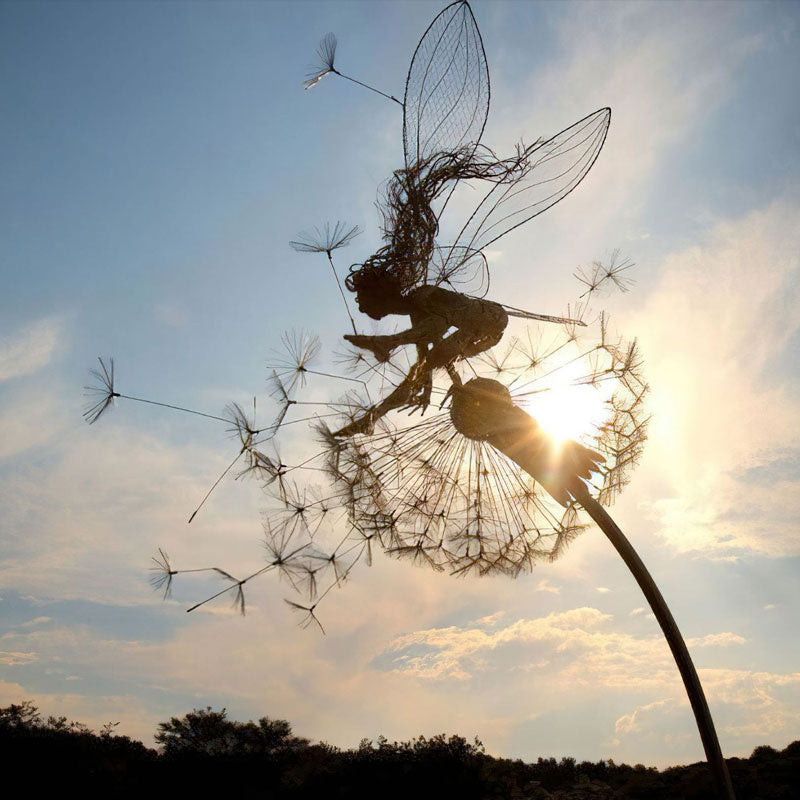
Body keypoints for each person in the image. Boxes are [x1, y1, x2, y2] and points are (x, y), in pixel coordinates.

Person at [334, 263, 508, 437]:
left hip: (490, 322)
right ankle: (377, 414)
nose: (361, 308)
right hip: (474, 328)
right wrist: (427, 387)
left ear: (381, 297)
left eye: (363, 300)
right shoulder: (418, 306)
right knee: (420, 370)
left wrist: (433, 381)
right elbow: (426, 351)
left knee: (425, 362)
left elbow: (435, 338)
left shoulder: (423, 297)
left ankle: (387, 347)